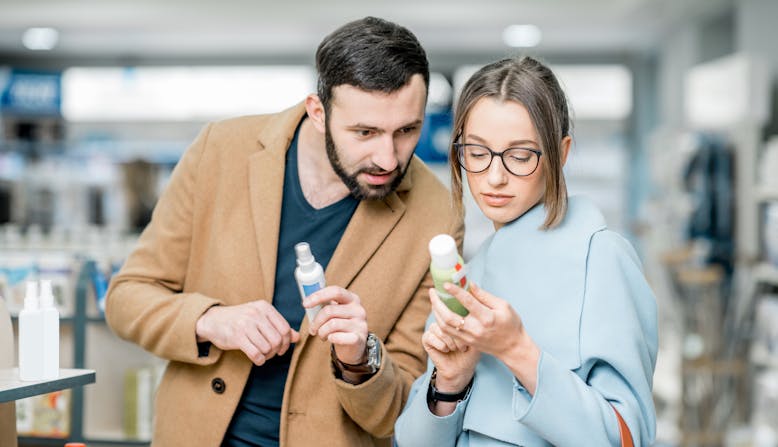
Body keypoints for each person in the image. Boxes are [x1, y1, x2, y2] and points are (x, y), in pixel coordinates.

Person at [105, 17, 463, 447]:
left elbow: (399, 411)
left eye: (407, 130)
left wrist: (359, 360)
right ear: (318, 111)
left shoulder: (436, 215)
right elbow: (127, 297)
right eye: (364, 132)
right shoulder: (220, 151)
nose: (387, 158)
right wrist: (211, 320)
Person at [394, 56, 658, 446]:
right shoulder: (471, 272)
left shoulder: (601, 258)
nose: (494, 177)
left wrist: (516, 350)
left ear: (561, 154)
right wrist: (449, 383)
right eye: (477, 153)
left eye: (519, 156)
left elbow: (625, 438)